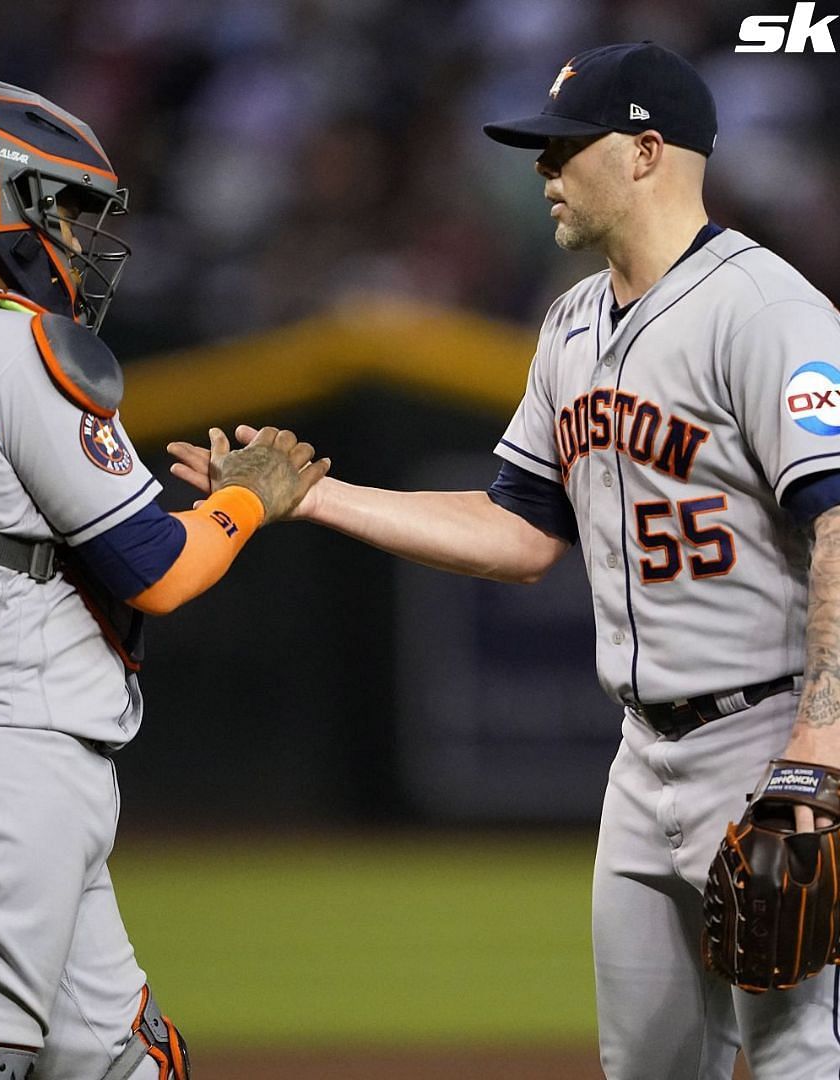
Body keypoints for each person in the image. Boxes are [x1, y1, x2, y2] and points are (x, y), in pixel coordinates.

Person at [172, 42, 840, 1078]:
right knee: (644, 1066)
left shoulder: (767, 312)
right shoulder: (571, 325)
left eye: (568, 148)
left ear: (649, 152)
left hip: (765, 741)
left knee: (797, 1053)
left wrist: (820, 744)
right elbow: (523, 532)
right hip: (640, 757)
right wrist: (314, 496)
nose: (544, 170)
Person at [0, 71, 328, 1080]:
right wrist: (248, 497)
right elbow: (158, 568)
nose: (82, 239)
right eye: (65, 208)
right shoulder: (15, 342)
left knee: (123, 1064)